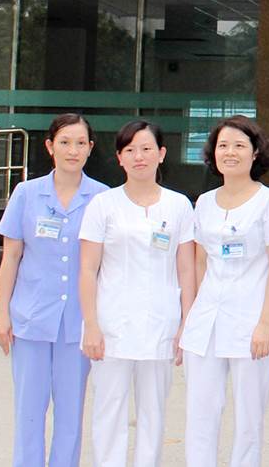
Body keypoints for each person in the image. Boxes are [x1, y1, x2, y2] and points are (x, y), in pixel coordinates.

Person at [78, 120, 197, 467]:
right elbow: (87, 269)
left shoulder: (178, 206)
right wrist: (91, 324)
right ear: (119, 158)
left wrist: (185, 323)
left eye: (146, 149)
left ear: (161, 154)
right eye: (130, 150)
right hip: (111, 323)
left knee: (153, 413)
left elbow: (187, 269)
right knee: (108, 410)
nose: (139, 156)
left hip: (161, 323)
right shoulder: (104, 205)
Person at [0, 113, 108, 467]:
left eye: (80, 143)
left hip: (78, 322)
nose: (72, 150)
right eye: (64, 142)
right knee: (29, 410)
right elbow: (11, 256)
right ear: (49, 147)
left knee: (71, 413)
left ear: (90, 148)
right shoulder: (26, 193)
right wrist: (1, 314)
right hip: (30, 318)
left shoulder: (102, 198)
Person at [180, 116, 269, 467]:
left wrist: (264, 323)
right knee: (200, 412)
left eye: (240, 145)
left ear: (255, 153)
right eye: (223, 145)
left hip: (251, 322)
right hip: (207, 322)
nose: (231, 152)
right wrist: (191, 316)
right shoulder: (205, 202)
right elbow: (199, 263)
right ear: (214, 153)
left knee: (249, 419)